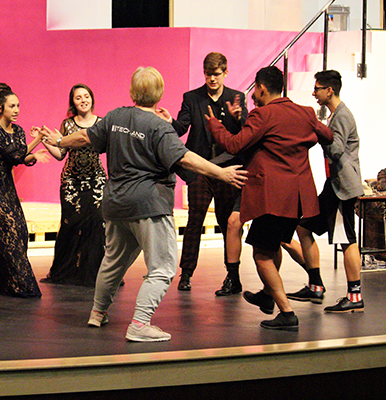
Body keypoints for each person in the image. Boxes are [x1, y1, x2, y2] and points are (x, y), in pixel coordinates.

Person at [41, 66, 247, 342]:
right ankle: (139, 324)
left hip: (115, 204)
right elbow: (184, 158)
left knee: (112, 263)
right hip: (148, 206)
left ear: (132, 92)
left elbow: (84, 137)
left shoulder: (116, 116)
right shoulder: (159, 127)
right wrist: (220, 172)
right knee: (162, 268)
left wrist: (58, 140)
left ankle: (97, 313)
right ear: (160, 93)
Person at [207, 66, 333, 331]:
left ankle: (286, 312)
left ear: (262, 88)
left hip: (273, 197)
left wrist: (214, 125)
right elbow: (328, 136)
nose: (253, 94)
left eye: (255, 88)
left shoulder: (263, 114)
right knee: (273, 245)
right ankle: (267, 294)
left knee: (262, 255)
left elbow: (233, 145)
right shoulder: (305, 112)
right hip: (299, 197)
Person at [156, 52, 247, 295]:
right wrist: (169, 121)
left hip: (228, 170)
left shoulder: (237, 97)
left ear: (225, 72)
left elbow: (244, 134)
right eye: (208, 74)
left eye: (216, 74)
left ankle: (232, 274)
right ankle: (185, 274)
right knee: (195, 221)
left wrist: (239, 118)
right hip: (200, 169)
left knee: (228, 222)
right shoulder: (192, 98)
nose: (212, 79)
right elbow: (182, 128)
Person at [285, 70, 365, 313]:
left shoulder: (341, 116)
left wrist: (316, 129)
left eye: (317, 88)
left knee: (346, 239)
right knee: (303, 227)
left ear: (329, 90)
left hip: (342, 189)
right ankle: (316, 284)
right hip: (333, 187)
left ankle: (354, 295)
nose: (314, 92)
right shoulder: (336, 115)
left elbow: (336, 149)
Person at [0, 83, 48, 298]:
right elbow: (16, 154)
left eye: (18, 106)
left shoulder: (19, 130)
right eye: (12, 106)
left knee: (20, 229)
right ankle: (22, 284)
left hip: (6, 184)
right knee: (9, 227)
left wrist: (34, 156)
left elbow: (20, 158)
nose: (16, 110)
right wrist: (38, 141)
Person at [39, 84, 107, 287]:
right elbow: (60, 154)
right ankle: (66, 272)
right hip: (71, 182)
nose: (84, 100)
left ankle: (94, 272)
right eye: (79, 98)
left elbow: (101, 147)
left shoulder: (101, 124)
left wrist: (61, 141)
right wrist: (45, 140)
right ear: (73, 102)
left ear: (92, 99)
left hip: (96, 181)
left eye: (87, 96)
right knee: (71, 225)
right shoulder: (67, 124)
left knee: (97, 225)